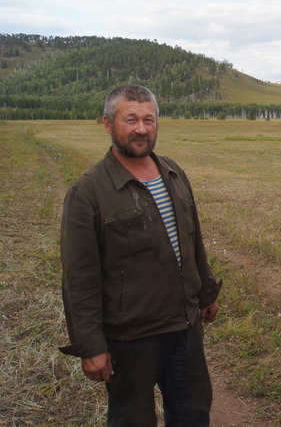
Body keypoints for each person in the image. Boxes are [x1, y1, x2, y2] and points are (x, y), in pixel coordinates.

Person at [60, 84, 222, 426]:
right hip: (130, 338)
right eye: (130, 119)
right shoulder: (88, 193)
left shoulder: (173, 173)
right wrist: (90, 345)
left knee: (193, 412)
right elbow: (79, 278)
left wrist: (206, 291)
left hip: (185, 326)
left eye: (148, 119)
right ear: (107, 124)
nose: (141, 129)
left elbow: (193, 241)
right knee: (132, 419)